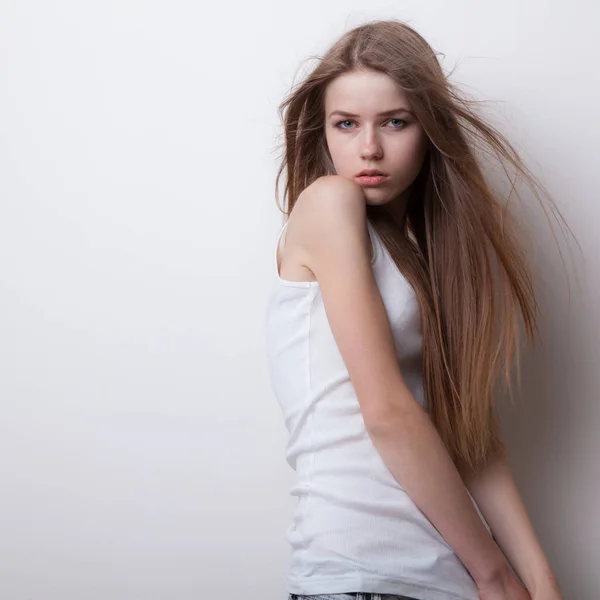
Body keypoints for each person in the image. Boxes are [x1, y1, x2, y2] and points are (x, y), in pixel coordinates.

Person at [265, 19, 571, 600]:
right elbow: (387, 412)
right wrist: (495, 572)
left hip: (445, 577)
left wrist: (540, 581)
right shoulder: (329, 205)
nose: (369, 147)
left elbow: (472, 440)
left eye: (395, 122)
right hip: (362, 573)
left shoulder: (419, 258)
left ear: (428, 129)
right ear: (323, 131)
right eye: (347, 124)